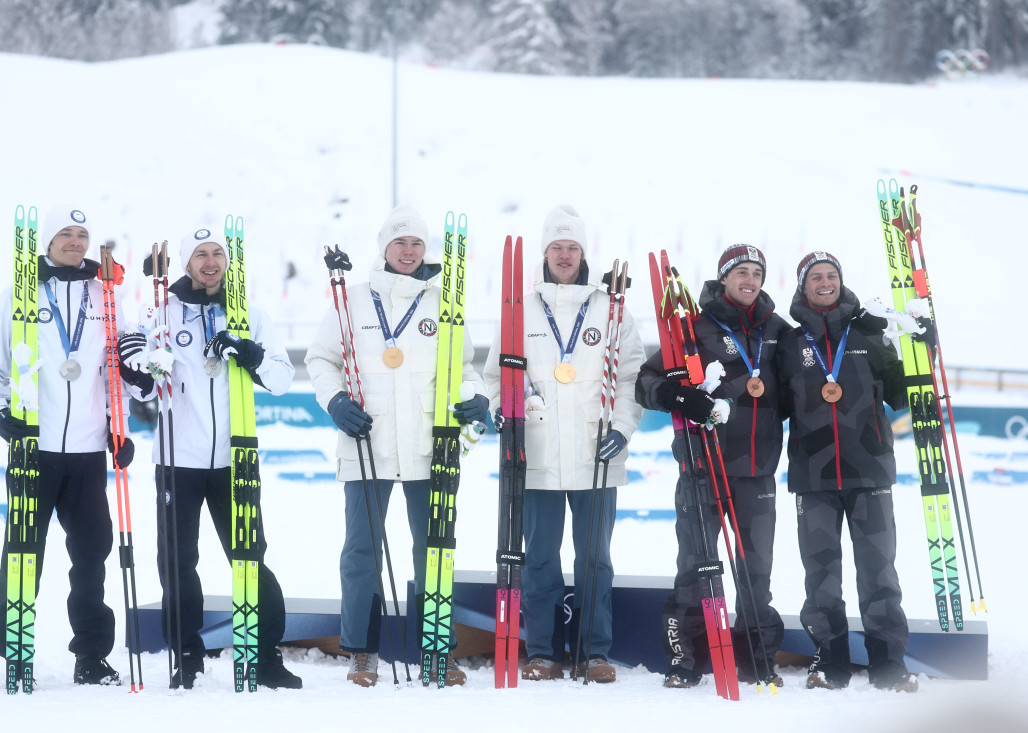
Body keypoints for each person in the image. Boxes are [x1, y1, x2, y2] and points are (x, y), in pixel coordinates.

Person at [305, 205, 489, 688]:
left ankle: (437, 649)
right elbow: (321, 359)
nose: (408, 252)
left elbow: (465, 367)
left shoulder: (441, 302)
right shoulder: (353, 300)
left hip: (430, 447)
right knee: (361, 552)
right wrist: (336, 400)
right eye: (399, 243)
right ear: (384, 248)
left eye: (416, 244)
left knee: (434, 549)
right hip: (366, 442)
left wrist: (476, 397)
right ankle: (362, 651)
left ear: (426, 252)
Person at [117, 227, 301, 690]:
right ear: (187, 263)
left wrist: (251, 353)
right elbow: (145, 387)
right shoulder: (160, 310)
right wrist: (135, 365)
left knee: (249, 554)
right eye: (201, 254)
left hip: (236, 456)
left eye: (218, 252)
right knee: (177, 561)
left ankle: (264, 653)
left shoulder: (250, 313)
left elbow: (281, 378)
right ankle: (186, 653)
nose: (211, 261)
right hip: (178, 458)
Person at [482, 204, 645, 683]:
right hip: (537, 455)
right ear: (545, 252)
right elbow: (496, 376)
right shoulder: (521, 307)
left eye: (572, 247)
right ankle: (541, 652)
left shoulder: (611, 308)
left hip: (597, 454)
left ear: (583, 253)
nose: (565, 255)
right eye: (557, 246)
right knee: (539, 561)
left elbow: (632, 375)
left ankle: (594, 652)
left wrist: (623, 427)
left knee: (595, 558)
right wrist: (503, 410)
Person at [0, 205, 134, 686]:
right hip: (34, 449)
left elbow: (116, 371)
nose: (75, 242)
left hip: (87, 452)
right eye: (65, 234)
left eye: (82, 235)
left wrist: (117, 428)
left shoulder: (103, 294)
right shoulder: (20, 294)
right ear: (47, 241)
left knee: (92, 556)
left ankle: (91, 654)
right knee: (25, 550)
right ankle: (15, 649)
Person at [634, 244, 789, 689]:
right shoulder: (692, 327)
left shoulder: (777, 330)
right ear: (723, 278)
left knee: (755, 572)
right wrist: (676, 395)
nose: (749, 279)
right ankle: (686, 660)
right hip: (703, 465)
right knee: (696, 566)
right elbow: (646, 382)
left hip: (757, 470)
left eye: (756, 273)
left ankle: (757, 659)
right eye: (740, 271)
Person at [776, 251, 917, 692]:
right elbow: (773, 406)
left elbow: (904, 394)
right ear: (803, 287)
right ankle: (830, 660)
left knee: (879, 572)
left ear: (841, 281)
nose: (824, 282)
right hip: (812, 476)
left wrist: (918, 345)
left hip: (869, 471)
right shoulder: (789, 343)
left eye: (831, 275)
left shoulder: (869, 333)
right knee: (820, 575)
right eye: (815, 277)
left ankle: (889, 663)